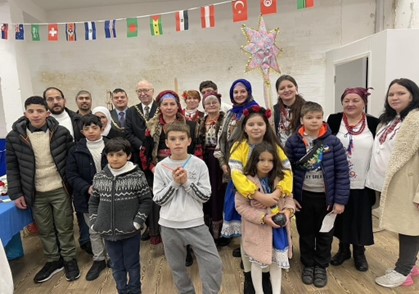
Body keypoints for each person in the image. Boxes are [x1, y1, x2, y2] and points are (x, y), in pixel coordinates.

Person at [6, 96, 80, 283]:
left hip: (59, 188)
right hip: (35, 191)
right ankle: (53, 260)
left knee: (64, 226)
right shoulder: (15, 137)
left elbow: (71, 161)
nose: (36, 115)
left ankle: (69, 259)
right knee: (45, 229)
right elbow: (12, 166)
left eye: (40, 111)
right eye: (31, 111)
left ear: (47, 113)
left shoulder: (61, 133)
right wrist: (16, 193)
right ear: (25, 114)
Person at [229, 106, 293, 294]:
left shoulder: (274, 147)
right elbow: (236, 174)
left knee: (269, 247)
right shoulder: (238, 147)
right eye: (251, 124)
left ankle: (269, 285)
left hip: (274, 197)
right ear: (245, 127)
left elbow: (286, 172)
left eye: (260, 124)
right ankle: (250, 280)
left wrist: (278, 193)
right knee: (249, 239)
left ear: (266, 126)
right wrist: (258, 195)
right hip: (247, 196)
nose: (256, 127)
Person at [285, 101, 349, 288]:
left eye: (318, 117)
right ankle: (308, 263)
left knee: (325, 233)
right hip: (303, 197)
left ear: (323, 118)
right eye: (309, 117)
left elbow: (342, 173)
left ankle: (321, 265)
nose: (314, 121)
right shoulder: (293, 142)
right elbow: (286, 172)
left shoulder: (333, 142)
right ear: (302, 119)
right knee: (305, 232)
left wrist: (339, 201)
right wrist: (290, 197)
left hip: (326, 199)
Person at [153, 123, 222, 294]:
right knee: (177, 267)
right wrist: (175, 183)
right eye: (173, 139)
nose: (177, 143)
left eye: (182, 139)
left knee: (213, 263)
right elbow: (159, 199)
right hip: (169, 225)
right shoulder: (161, 167)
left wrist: (187, 183)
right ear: (167, 143)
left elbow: (205, 196)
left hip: (195, 224)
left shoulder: (199, 164)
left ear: (189, 141)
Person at [140, 90, 201, 266]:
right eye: (165, 104)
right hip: (160, 171)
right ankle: (173, 248)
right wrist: (154, 169)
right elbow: (145, 150)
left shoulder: (189, 124)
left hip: (186, 169)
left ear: (177, 106)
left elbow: (196, 148)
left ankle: (188, 248)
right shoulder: (152, 125)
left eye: (172, 104)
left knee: (186, 208)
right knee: (166, 209)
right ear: (160, 107)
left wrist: (190, 170)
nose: (168, 107)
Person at [371, 78, 419, 288]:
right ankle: (411, 263)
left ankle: (403, 270)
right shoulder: (390, 120)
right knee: (402, 226)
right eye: (391, 94)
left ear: (412, 95)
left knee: (409, 227)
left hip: (408, 183)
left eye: (401, 93)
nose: (395, 97)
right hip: (389, 181)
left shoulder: (416, 120)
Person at [89, 137, 152, 294]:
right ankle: (122, 290)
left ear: (128, 156)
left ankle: (135, 290)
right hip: (108, 234)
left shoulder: (137, 176)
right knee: (116, 265)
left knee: (132, 264)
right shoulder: (100, 177)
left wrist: (137, 223)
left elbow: (146, 201)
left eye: (119, 154)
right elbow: (93, 202)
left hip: (130, 232)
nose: (115, 159)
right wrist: (94, 222)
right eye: (111, 155)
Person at [327, 87, 379, 272]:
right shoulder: (334, 120)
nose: (350, 104)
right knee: (341, 216)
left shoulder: (373, 123)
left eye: (355, 100)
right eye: (346, 100)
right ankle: (343, 250)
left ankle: (359, 251)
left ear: (364, 103)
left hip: (364, 179)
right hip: (339, 179)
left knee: (360, 216)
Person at [43, 87, 91, 254]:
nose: (55, 102)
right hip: (53, 177)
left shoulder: (77, 119)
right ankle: (61, 252)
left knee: (81, 207)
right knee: (61, 218)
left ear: (65, 100)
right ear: (46, 103)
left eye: (58, 98)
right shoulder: (41, 124)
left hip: (76, 173)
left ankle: (87, 242)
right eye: (50, 99)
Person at [214, 79, 259, 251]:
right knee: (232, 202)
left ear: (249, 92)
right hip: (230, 167)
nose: (239, 95)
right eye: (236, 92)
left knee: (249, 203)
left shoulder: (255, 111)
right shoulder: (229, 114)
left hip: (249, 166)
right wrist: (223, 163)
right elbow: (222, 140)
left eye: (243, 91)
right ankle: (235, 235)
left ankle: (248, 244)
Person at [66, 115, 108, 281]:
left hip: (110, 195)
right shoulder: (75, 149)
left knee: (110, 227)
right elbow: (71, 174)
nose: (91, 131)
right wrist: (87, 188)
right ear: (82, 131)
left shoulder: (111, 144)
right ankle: (99, 259)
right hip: (86, 197)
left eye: (94, 128)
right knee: (94, 230)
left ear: (101, 128)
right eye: (86, 128)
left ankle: (112, 257)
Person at [198, 91, 228, 245]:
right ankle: (209, 231)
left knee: (219, 193)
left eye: (214, 102)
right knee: (207, 193)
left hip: (220, 160)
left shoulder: (226, 120)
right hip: (205, 160)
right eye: (208, 103)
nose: (211, 105)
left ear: (219, 104)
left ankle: (221, 234)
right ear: (204, 106)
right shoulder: (201, 122)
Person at [125, 80, 158, 164]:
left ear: (152, 91)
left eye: (146, 90)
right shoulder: (131, 111)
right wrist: (141, 146)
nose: (142, 94)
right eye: (139, 91)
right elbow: (128, 133)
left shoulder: (161, 108)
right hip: (138, 154)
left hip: (157, 153)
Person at [273, 75, 306, 146]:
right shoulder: (274, 111)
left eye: (290, 86)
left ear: (296, 88)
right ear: (278, 92)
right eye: (282, 88)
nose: (286, 90)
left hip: (300, 150)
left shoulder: (306, 108)